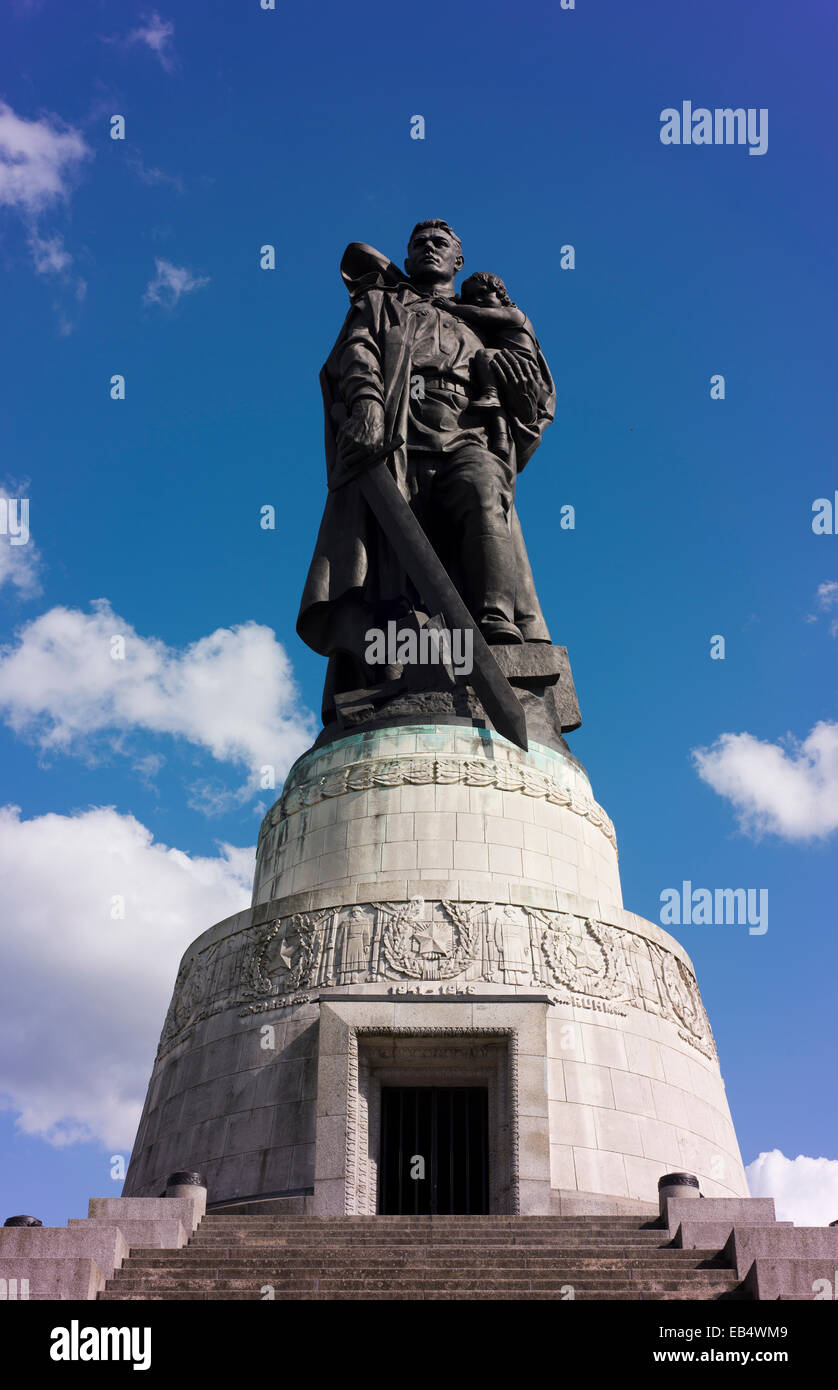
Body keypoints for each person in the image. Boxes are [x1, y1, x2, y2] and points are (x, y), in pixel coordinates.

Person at [297, 220, 556, 721]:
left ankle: (495, 624)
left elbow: (537, 393)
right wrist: (368, 403)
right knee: (390, 560)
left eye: (441, 244)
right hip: (398, 433)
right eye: (419, 244)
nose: (429, 249)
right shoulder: (381, 303)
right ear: (408, 256)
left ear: (458, 261)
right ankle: (397, 670)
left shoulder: (488, 321)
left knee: (484, 492)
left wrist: (520, 391)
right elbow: (357, 352)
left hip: (468, 429)